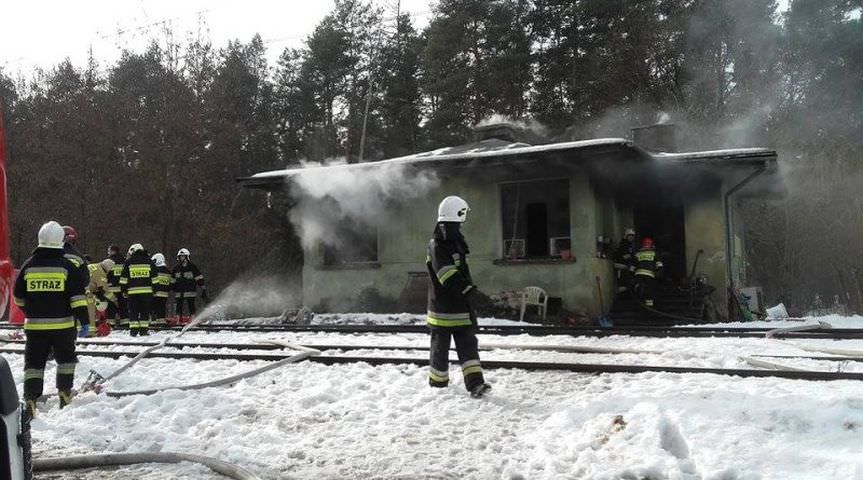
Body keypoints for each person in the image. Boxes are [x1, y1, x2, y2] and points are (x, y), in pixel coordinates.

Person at [12, 221, 89, 415]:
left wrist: (30, 311)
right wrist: (84, 321)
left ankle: (31, 397)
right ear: (60, 241)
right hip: (63, 327)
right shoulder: (67, 266)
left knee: (34, 364)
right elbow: (78, 298)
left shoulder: (28, 265)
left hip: (35, 327)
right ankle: (64, 392)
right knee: (65, 361)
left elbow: (18, 296)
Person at [425, 196, 491, 398]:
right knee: (440, 349)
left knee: (468, 346)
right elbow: (447, 275)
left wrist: (469, 294)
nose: (463, 221)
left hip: (460, 308)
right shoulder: (437, 245)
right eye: (462, 216)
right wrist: (469, 290)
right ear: (457, 215)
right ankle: (438, 386)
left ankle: (475, 384)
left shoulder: (454, 242)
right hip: (443, 310)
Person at [120, 243, 156, 336]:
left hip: (132, 293)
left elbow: (123, 278)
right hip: (147, 292)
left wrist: (123, 290)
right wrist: (155, 289)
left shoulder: (128, 262)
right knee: (145, 311)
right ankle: (143, 331)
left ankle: (133, 331)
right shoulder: (149, 261)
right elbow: (155, 278)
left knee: (133, 311)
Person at [171, 248, 208, 324]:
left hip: (190, 291)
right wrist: (172, 288)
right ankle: (178, 320)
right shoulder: (176, 268)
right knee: (179, 306)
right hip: (179, 292)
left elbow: (199, 278)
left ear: (187, 257)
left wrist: (203, 288)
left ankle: (193, 319)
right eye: (180, 257)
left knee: (191, 305)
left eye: (183, 256)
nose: (181, 258)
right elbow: (172, 280)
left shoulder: (192, 267)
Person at [86, 259, 117, 336]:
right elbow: (104, 289)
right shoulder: (101, 272)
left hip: (77, 288)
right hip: (86, 290)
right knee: (91, 310)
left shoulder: (94, 265)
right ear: (108, 268)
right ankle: (90, 331)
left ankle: (80, 330)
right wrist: (114, 300)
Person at [634, 237, 663, 307]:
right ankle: (649, 305)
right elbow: (659, 264)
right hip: (650, 273)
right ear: (651, 245)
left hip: (639, 273)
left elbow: (633, 264)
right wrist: (659, 271)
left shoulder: (638, 253)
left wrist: (631, 273)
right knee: (650, 288)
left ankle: (640, 300)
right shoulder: (654, 253)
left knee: (640, 286)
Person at [104, 244, 129, 329]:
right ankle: (125, 323)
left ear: (113, 251)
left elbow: (105, 274)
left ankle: (110, 324)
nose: (108, 253)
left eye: (109, 251)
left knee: (111, 307)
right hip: (123, 288)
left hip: (111, 288)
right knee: (123, 306)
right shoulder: (125, 261)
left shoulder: (108, 262)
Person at [613, 227, 637, 294]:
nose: (631, 237)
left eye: (632, 236)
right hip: (623, 265)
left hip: (627, 265)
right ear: (626, 236)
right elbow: (624, 256)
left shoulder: (630, 245)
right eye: (630, 236)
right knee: (624, 282)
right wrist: (630, 256)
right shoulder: (624, 244)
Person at [150, 253, 172, 326]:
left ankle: (154, 320)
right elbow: (171, 283)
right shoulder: (168, 271)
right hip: (164, 294)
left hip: (155, 293)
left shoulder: (154, 270)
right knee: (162, 308)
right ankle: (161, 321)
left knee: (154, 307)